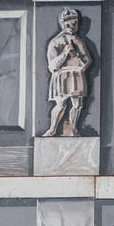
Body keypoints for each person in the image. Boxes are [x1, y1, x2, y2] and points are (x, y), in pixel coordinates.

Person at [41, 8, 92, 137]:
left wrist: (80, 59)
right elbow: (52, 66)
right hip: (61, 75)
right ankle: (52, 129)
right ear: (62, 24)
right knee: (61, 104)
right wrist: (64, 53)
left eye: (75, 23)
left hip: (76, 75)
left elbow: (87, 61)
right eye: (68, 23)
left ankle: (74, 129)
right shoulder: (55, 42)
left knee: (77, 104)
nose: (72, 26)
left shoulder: (78, 41)